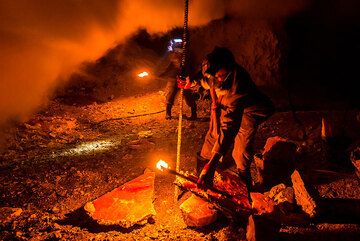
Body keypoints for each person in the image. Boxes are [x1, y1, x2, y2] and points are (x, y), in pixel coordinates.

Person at [180, 47, 275, 190]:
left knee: (240, 150)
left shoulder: (238, 85)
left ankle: (245, 187)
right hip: (226, 106)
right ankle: (202, 178)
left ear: (229, 71)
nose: (217, 79)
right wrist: (190, 82)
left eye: (220, 76)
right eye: (213, 76)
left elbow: (230, 125)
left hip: (250, 110)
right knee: (212, 137)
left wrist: (213, 163)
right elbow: (202, 79)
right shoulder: (212, 74)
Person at [162, 43, 197, 120]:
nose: (177, 51)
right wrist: (163, 73)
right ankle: (168, 114)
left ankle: (194, 114)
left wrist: (189, 77)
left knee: (188, 96)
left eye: (179, 49)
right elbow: (170, 66)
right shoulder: (174, 56)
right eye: (176, 49)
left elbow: (191, 68)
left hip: (185, 78)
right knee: (170, 95)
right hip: (174, 78)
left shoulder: (188, 57)